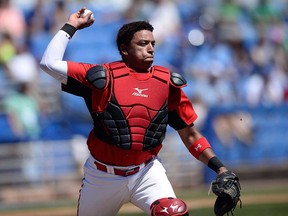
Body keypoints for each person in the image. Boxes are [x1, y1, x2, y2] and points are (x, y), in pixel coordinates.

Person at [40, 7, 240, 216]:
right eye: (143, 43)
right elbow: (48, 63)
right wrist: (72, 25)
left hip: (146, 172)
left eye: (152, 43)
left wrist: (221, 169)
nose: (151, 48)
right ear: (125, 49)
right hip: (102, 176)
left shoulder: (166, 83)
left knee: (173, 212)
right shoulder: (101, 77)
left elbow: (190, 135)